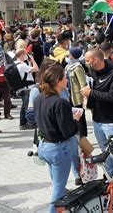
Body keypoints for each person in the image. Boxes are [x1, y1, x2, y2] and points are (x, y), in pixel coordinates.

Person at [35, 64, 83, 213]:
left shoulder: (39, 98)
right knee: (58, 186)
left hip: (44, 146)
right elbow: (67, 132)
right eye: (65, 78)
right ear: (57, 81)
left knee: (56, 182)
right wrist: (75, 120)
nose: (67, 81)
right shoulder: (59, 102)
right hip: (57, 148)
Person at [81, 49, 113, 186]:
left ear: (96, 60)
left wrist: (92, 92)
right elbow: (92, 93)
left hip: (112, 121)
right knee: (104, 152)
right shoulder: (92, 73)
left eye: (88, 60)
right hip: (97, 120)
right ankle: (109, 176)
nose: (86, 63)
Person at [65, 47, 88, 137]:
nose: (67, 56)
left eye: (69, 54)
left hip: (77, 97)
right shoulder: (68, 66)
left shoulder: (77, 67)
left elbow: (83, 83)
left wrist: (85, 97)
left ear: (73, 56)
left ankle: (83, 136)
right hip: (69, 95)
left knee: (81, 118)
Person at [15, 49, 39, 130]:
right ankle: (29, 123)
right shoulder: (22, 66)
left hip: (21, 88)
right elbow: (36, 69)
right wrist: (32, 59)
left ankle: (23, 123)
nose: (26, 56)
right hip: (26, 88)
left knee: (24, 106)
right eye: (25, 54)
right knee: (27, 106)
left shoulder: (16, 64)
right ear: (22, 55)